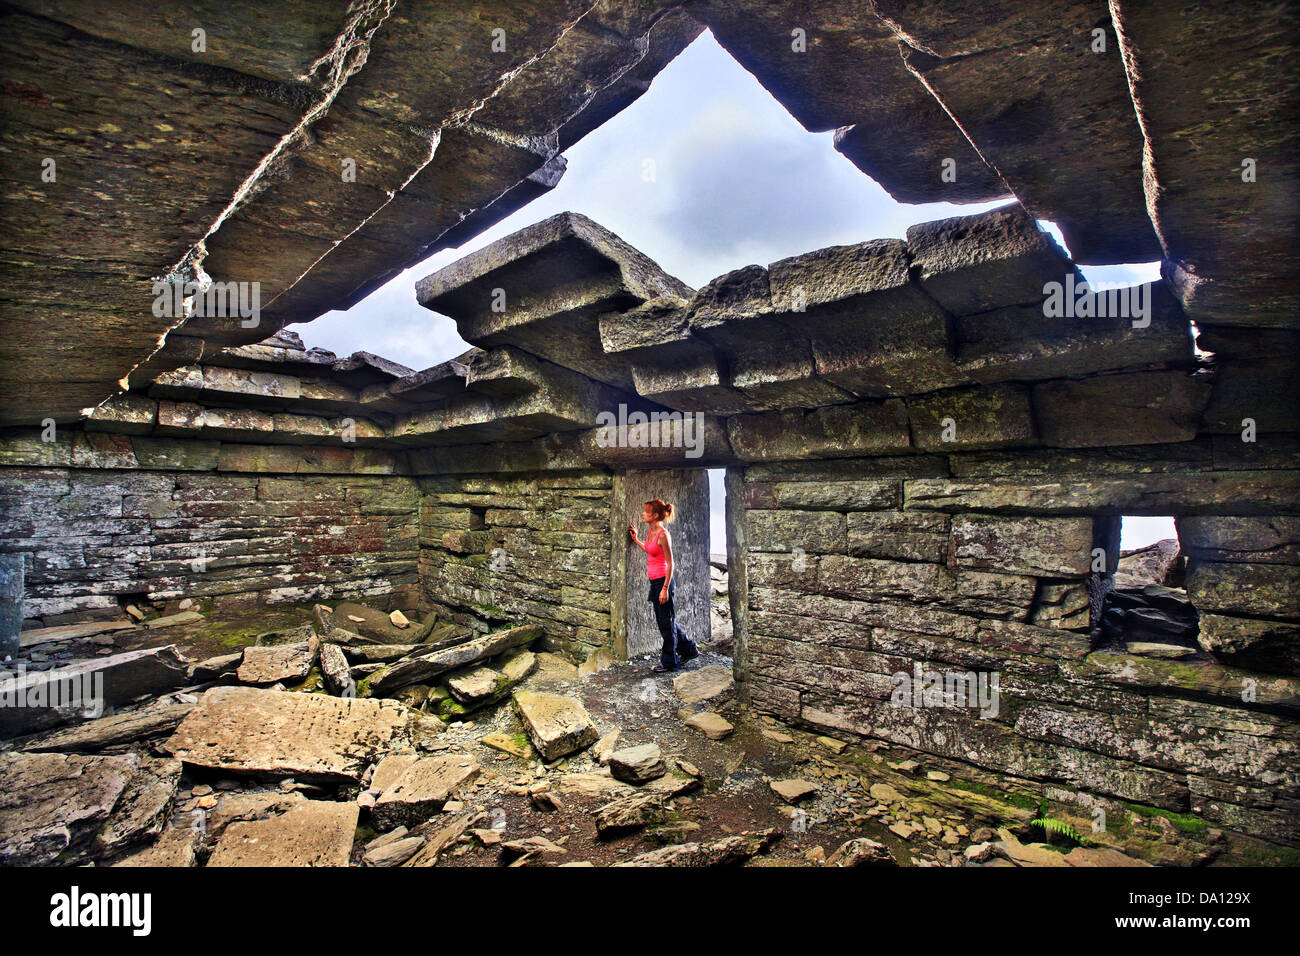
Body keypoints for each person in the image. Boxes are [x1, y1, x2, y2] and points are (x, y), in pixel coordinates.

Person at [629, 498, 700, 673]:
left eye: (646, 512)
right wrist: (636, 540)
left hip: (663, 582)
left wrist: (665, 588)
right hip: (655, 582)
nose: (643, 514)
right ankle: (690, 649)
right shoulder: (650, 531)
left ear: (654, 515)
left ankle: (670, 662)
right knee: (666, 621)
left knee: (666, 624)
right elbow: (651, 550)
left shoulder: (663, 534)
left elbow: (671, 563)